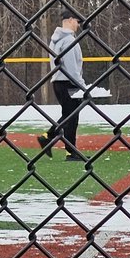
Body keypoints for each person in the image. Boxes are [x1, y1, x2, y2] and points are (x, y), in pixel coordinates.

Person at [38, 9, 87, 161]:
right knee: (71, 116)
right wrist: (83, 86)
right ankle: (54, 141)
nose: (78, 25)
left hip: (58, 81)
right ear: (71, 20)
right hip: (68, 82)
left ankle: (58, 143)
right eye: (77, 21)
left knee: (69, 115)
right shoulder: (69, 41)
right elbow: (72, 68)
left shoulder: (55, 39)